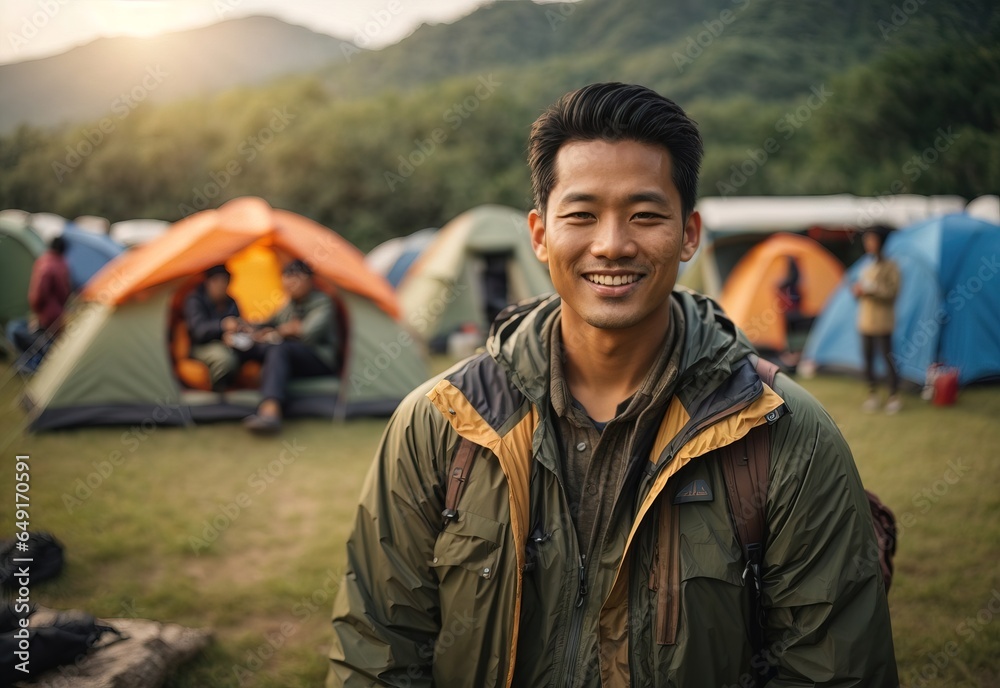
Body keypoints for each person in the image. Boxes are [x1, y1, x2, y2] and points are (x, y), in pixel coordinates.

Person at [327, 83, 897, 687]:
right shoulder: (443, 422)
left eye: (645, 214)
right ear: (541, 233)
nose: (611, 244)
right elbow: (379, 648)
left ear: (688, 233)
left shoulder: (782, 431)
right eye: (581, 214)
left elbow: (835, 671)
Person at [242, 259, 340, 434]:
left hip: (319, 358)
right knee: (255, 345)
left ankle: (270, 411)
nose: (289, 284)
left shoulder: (322, 302)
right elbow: (270, 322)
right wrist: (249, 328)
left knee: (279, 348)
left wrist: (286, 331)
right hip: (293, 354)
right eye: (286, 279)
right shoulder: (289, 304)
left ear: (309, 280)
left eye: (295, 279)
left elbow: (308, 333)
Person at [851, 227, 902, 414]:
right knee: (868, 360)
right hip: (865, 320)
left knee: (888, 359)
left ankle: (893, 396)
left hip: (883, 321)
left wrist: (872, 290)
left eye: (872, 240)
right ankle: (872, 394)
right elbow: (861, 291)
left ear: (880, 242)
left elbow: (893, 292)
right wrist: (857, 291)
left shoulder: (891, 266)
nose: (868, 244)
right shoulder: (866, 265)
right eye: (867, 241)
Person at [6, 235, 72, 369]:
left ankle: (30, 365)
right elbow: (65, 292)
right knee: (46, 340)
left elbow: (38, 293)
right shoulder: (62, 264)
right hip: (57, 314)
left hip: (45, 314)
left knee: (16, 331)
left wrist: (36, 311)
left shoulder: (45, 264)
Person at [182, 264, 245, 390]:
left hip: (229, 343)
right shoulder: (195, 300)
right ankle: (217, 393)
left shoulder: (231, 302)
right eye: (216, 281)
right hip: (201, 345)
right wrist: (222, 326)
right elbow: (198, 331)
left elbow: (238, 323)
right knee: (224, 359)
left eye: (224, 281)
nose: (221, 285)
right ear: (208, 282)